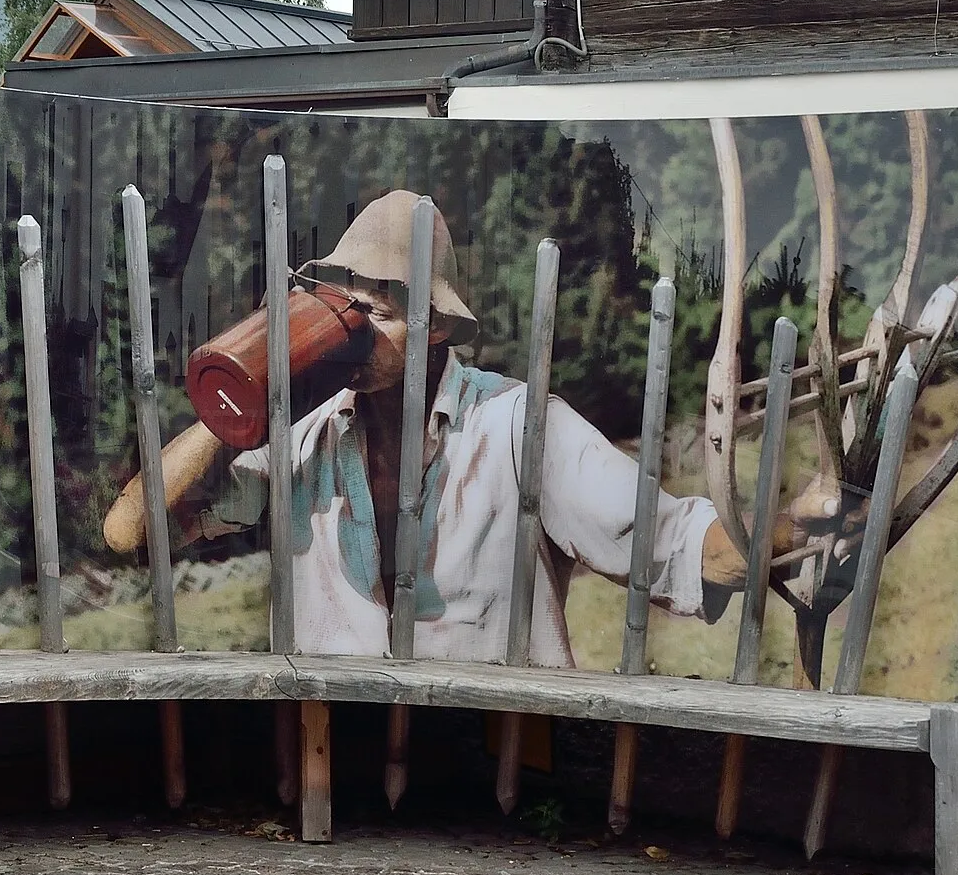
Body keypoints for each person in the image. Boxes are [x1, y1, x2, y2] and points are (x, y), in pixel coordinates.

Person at [103, 190, 800, 668]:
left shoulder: (518, 426)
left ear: (434, 326)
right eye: (343, 307)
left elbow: (671, 541)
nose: (353, 334)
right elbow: (130, 530)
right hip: (339, 756)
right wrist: (242, 397)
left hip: (489, 759)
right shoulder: (300, 434)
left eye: (380, 313)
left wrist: (797, 531)